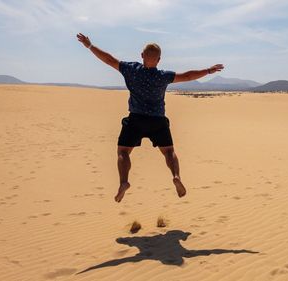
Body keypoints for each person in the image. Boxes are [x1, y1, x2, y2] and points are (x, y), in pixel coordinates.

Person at [76, 33, 224, 202]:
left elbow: (109, 60)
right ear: (159, 60)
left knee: (123, 152)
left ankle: (124, 182)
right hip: (157, 121)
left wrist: (89, 46)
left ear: (142, 56)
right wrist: (209, 70)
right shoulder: (163, 76)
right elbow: (188, 76)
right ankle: (176, 176)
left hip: (136, 120)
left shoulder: (131, 69)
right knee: (169, 152)